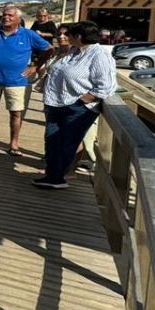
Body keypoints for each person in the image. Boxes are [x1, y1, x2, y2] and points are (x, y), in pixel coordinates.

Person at [35, 22, 116, 190]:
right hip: (56, 102)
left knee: (67, 142)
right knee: (52, 140)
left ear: (78, 36)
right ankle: (52, 175)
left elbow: (106, 85)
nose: (65, 37)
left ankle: (57, 177)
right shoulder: (75, 51)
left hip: (77, 107)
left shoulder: (98, 54)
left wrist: (86, 99)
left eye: (70, 34)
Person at [0, 4, 52, 155]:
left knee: (16, 113)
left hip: (16, 81)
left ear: (18, 19)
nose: (6, 17)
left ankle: (14, 144)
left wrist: (35, 66)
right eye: (4, 15)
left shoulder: (28, 34)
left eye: (10, 15)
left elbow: (49, 49)